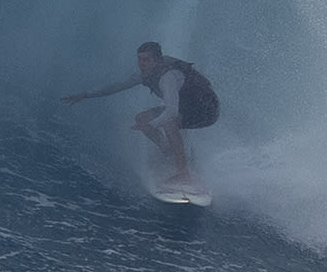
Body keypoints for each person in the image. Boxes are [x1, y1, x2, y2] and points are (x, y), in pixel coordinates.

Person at [63, 41, 220, 182]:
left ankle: (184, 174)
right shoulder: (144, 74)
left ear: (157, 60)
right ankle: (169, 153)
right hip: (185, 108)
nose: (141, 63)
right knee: (142, 118)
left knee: (168, 122)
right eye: (139, 59)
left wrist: (153, 125)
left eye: (146, 60)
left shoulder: (168, 77)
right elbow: (117, 86)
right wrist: (86, 95)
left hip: (206, 110)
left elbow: (171, 111)